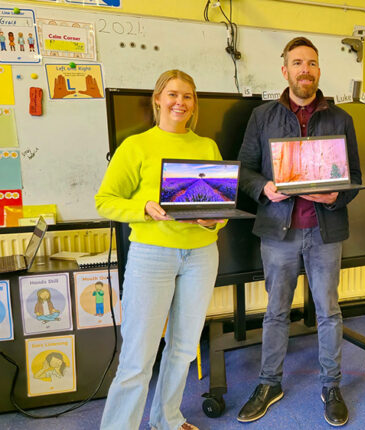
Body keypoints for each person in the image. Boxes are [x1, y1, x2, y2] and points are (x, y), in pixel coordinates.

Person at [237, 36, 361, 427]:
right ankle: (269, 383)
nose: (304, 69)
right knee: (275, 313)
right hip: (279, 231)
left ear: (318, 70)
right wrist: (264, 188)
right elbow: (244, 170)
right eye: (297, 63)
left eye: (311, 63)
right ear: (285, 70)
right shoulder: (262, 116)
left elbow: (353, 177)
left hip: (324, 231)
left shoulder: (341, 119)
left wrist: (334, 198)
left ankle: (331, 385)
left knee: (329, 312)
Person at [95, 69, 225, 430]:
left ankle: (168, 419)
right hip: (151, 254)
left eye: (187, 96)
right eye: (172, 94)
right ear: (158, 99)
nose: (180, 102)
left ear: (194, 103)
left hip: (201, 254)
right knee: (138, 357)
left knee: (183, 349)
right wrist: (144, 208)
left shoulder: (206, 147)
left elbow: (220, 208)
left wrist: (211, 222)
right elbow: (105, 201)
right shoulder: (136, 146)